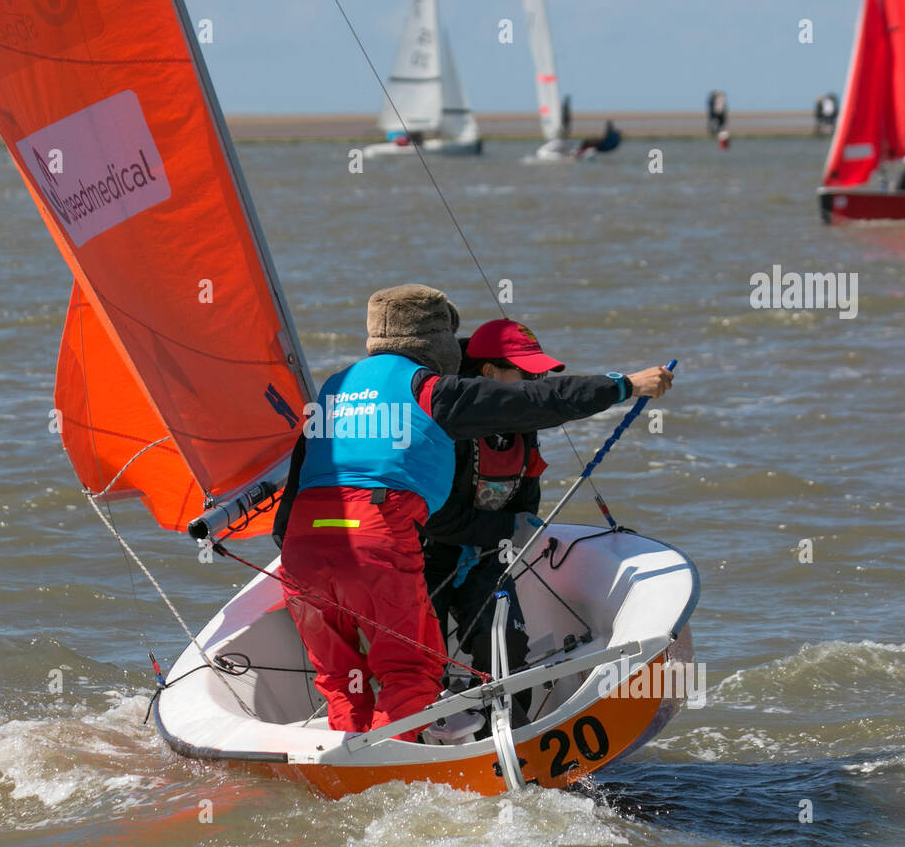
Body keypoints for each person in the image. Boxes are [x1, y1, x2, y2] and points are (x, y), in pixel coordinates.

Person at [271, 285, 673, 738]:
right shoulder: (430, 391)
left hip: (302, 551)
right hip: (376, 539)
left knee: (343, 680)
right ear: (434, 342)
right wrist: (624, 385)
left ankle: (345, 778)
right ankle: (388, 787)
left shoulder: (333, 391)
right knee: (411, 673)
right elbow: (539, 402)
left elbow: (292, 496)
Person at [419, 320, 570, 723]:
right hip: (423, 559)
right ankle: (418, 740)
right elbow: (436, 518)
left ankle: (506, 735)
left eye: (540, 374)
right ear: (489, 373)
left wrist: (521, 525)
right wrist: (508, 528)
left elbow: (524, 499)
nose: (536, 382)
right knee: (418, 663)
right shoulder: (448, 423)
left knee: (507, 649)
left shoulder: (524, 426)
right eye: (527, 372)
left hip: (484, 557)